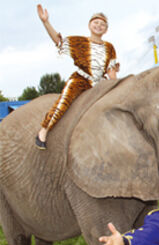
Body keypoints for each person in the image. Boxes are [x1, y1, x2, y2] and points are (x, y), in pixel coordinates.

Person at [35, 4, 119, 150]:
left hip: (99, 83)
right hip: (81, 80)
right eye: (96, 22)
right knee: (64, 102)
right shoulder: (79, 41)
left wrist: (117, 88)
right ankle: (44, 130)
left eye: (102, 24)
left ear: (106, 30)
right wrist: (45, 22)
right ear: (89, 25)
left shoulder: (110, 47)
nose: (99, 26)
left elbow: (111, 72)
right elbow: (58, 41)